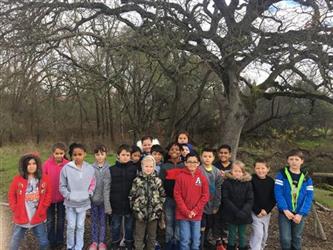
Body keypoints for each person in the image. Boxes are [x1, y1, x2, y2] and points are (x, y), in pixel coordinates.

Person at [8, 153, 52, 250]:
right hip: (21, 216)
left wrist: (44, 207)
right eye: (29, 164)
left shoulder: (44, 179)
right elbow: (11, 195)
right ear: (24, 166)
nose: (32, 166)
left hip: (37, 216)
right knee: (15, 240)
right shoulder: (17, 180)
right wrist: (15, 209)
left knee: (44, 242)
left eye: (34, 163)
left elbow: (48, 194)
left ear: (38, 165)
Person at [274, 149, 314, 250]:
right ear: (287, 160)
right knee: (285, 239)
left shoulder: (306, 178)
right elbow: (278, 193)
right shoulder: (282, 175)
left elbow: (309, 196)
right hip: (285, 213)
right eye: (291, 159)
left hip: (299, 214)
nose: (294, 161)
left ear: (302, 161)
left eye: (297, 159)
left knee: (297, 237)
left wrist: (301, 213)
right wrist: (285, 209)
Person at [60, 143, 96, 250]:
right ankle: (70, 246)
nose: (77, 157)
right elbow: (62, 185)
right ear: (72, 156)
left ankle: (78, 246)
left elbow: (93, 183)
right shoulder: (66, 168)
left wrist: (89, 193)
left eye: (80, 154)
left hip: (83, 203)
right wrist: (68, 195)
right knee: (71, 226)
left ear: (84, 154)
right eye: (75, 154)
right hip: (70, 203)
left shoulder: (89, 168)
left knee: (80, 226)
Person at [129, 155, 166, 250]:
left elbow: (162, 196)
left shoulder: (157, 181)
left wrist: (158, 209)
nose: (148, 168)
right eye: (146, 166)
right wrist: (136, 210)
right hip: (140, 214)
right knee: (139, 236)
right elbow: (131, 196)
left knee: (152, 236)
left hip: (153, 215)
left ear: (154, 167)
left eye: (151, 166)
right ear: (142, 166)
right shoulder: (137, 181)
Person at [174, 152, 209, 250]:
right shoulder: (180, 177)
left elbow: (205, 196)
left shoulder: (202, 177)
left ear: (198, 163)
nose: (192, 164)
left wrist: (195, 210)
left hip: (196, 215)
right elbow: (177, 195)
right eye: (189, 162)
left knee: (196, 240)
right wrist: (186, 211)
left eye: (195, 162)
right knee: (185, 240)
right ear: (185, 163)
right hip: (183, 214)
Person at [109, 144, 138, 250]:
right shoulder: (112, 169)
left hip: (129, 204)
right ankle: (115, 243)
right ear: (118, 156)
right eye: (123, 154)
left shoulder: (134, 169)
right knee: (115, 225)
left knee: (129, 226)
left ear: (130, 156)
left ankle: (129, 242)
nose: (125, 157)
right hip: (116, 203)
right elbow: (108, 187)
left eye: (127, 155)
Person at [221, 160, 253, 250]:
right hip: (231, 213)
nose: (237, 173)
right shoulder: (227, 183)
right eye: (235, 171)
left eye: (240, 171)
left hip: (244, 214)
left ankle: (242, 247)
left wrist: (243, 211)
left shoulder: (248, 184)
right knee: (231, 234)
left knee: (242, 234)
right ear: (231, 171)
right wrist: (236, 211)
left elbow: (250, 199)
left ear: (243, 172)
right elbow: (225, 198)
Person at [43, 142, 69, 249]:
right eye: (56, 153)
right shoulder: (47, 164)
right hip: (49, 198)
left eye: (61, 153)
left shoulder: (68, 164)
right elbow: (42, 180)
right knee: (50, 220)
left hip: (62, 198)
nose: (59, 155)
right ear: (53, 153)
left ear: (64, 153)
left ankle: (59, 240)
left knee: (61, 219)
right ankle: (51, 240)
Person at [159, 142, 185, 250]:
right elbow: (161, 183)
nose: (174, 151)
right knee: (169, 222)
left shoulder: (184, 165)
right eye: (172, 149)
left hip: (181, 200)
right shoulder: (164, 166)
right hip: (168, 200)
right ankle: (169, 242)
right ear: (168, 152)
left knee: (179, 222)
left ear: (181, 152)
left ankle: (177, 242)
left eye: (177, 149)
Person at [89, 144, 111, 250]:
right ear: (94, 155)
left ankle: (101, 242)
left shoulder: (109, 168)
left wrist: (108, 204)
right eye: (97, 154)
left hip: (104, 201)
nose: (100, 156)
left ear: (106, 155)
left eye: (102, 154)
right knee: (94, 221)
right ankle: (94, 241)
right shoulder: (90, 168)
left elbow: (108, 187)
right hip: (93, 200)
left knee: (103, 222)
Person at [249, 159, 276, 250]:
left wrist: (267, 210)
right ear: (254, 168)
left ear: (268, 169)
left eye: (263, 168)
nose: (260, 170)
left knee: (264, 235)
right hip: (254, 211)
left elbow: (273, 198)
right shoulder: (251, 180)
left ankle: (260, 247)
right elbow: (249, 197)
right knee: (258, 233)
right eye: (258, 168)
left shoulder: (271, 181)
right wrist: (257, 211)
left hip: (266, 213)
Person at [199, 148, 222, 249]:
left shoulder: (216, 172)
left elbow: (218, 188)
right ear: (201, 157)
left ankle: (205, 241)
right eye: (205, 156)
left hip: (212, 202)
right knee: (201, 225)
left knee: (209, 224)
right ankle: (200, 243)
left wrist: (216, 205)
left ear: (213, 158)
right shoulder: (198, 170)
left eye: (209, 156)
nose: (207, 158)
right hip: (200, 203)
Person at [214, 144, 233, 245]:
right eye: (221, 153)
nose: (223, 155)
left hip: (230, 196)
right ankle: (217, 240)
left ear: (230, 154)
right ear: (218, 154)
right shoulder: (214, 165)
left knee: (227, 218)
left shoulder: (234, 166)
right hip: (216, 196)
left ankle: (225, 238)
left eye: (225, 153)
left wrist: (227, 175)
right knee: (217, 217)